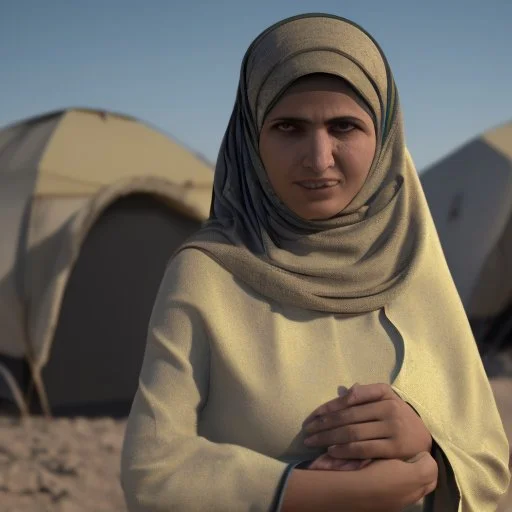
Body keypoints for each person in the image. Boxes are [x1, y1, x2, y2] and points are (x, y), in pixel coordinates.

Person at [120, 13, 510, 511]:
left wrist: (429, 448)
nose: (319, 158)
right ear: (251, 140)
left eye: (344, 126)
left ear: (386, 135)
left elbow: (486, 453)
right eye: (288, 128)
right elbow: (152, 470)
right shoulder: (209, 273)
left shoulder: (409, 262)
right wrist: (329, 492)